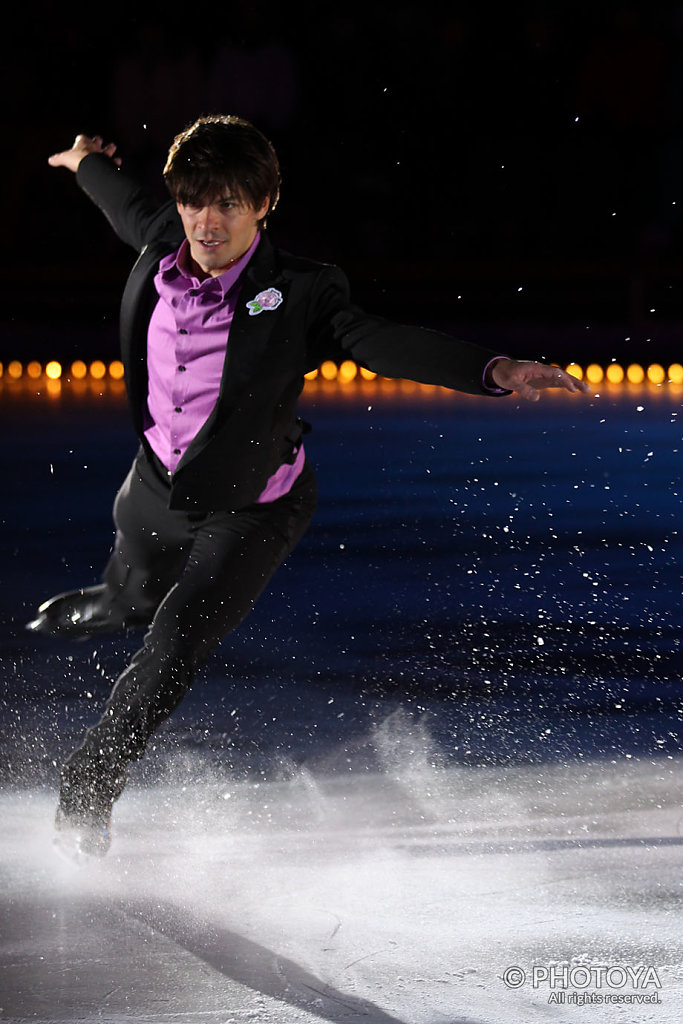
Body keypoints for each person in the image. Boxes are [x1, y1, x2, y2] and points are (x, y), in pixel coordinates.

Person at [29, 115, 589, 858]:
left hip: (251, 508)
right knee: (128, 603)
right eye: (195, 200)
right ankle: (103, 603)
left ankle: (88, 788)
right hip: (154, 486)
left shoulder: (300, 291)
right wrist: (80, 162)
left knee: (173, 644)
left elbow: (380, 340)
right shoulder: (166, 238)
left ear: (264, 204)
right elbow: (118, 194)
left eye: (228, 202)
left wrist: (493, 370)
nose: (207, 220)